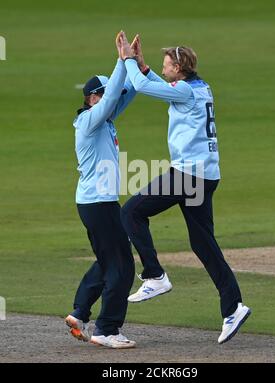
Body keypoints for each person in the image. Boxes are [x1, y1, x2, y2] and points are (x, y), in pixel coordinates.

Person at [118, 32, 251, 344]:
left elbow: (142, 87)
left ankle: (154, 275)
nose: (164, 69)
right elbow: (163, 88)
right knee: (203, 244)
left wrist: (127, 59)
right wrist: (144, 66)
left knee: (131, 213)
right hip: (206, 173)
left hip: (188, 174)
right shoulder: (199, 87)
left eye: (166, 65)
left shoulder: (186, 93)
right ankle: (234, 307)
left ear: (178, 68)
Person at [65, 32, 147, 349]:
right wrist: (121, 59)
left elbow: (124, 95)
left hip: (100, 203)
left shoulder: (104, 119)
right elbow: (114, 95)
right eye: (104, 94)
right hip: (97, 204)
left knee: (107, 259)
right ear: (92, 98)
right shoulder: (89, 121)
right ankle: (107, 329)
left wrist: (135, 65)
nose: (110, 98)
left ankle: (80, 312)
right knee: (123, 267)